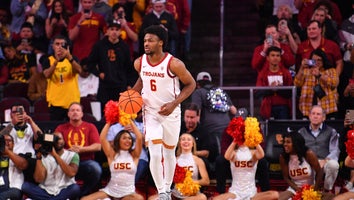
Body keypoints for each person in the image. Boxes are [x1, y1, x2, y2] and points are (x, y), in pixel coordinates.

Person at [132, 25, 196, 199]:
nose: (146, 43)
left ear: (161, 42)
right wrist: (130, 97)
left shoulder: (174, 63)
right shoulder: (139, 62)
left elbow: (191, 84)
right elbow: (142, 80)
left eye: (150, 40)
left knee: (168, 152)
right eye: (145, 40)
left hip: (171, 112)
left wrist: (174, 103)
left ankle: (167, 188)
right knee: (154, 150)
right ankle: (161, 191)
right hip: (151, 111)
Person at [81, 121, 144, 200]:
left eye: (130, 138)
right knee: (84, 199)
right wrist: (108, 122)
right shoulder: (112, 154)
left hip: (128, 193)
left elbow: (139, 138)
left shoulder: (134, 155)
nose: (128, 140)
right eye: (124, 138)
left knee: (139, 198)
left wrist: (129, 120)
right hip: (110, 191)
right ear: (118, 140)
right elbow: (102, 138)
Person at [87, 19, 137, 111]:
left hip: (121, 85)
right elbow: (90, 63)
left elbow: (129, 67)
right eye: (112, 29)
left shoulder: (124, 47)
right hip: (105, 85)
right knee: (105, 113)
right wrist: (98, 73)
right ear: (107, 31)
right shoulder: (100, 46)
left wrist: (129, 84)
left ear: (120, 32)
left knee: (121, 112)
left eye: (117, 30)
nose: (114, 32)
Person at [55, 102, 102, 197]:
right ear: (68, 114)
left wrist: (81, 149)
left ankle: (82, 194)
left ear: (82, 114)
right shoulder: (61, 128)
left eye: (77, 110)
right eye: (72, 110)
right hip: (67, 162)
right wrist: (69, 151)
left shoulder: (90, 127)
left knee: (96, 168)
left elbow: (98, 146)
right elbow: (54, 145)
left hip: (85, 163)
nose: (75, 112)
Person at [213, 136, 279, 200]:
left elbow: (262, 155)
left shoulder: (254, 153)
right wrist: (235, 140)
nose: (243, 139)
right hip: (235, 192)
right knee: (216, 199)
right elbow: (226, 156)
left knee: (275, 194)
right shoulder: (233, 153)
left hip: (251, 193)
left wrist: (255, 141)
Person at [148, 133, 210, 200]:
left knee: (203, 197)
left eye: (189, 140)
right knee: (152, 198)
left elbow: (206, 181)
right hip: (175, 194)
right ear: (179, 143)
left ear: (193, 144)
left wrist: (189, 182)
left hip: (192, 194)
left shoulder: (198, 160)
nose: (186, 141)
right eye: (183, 139)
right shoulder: (174, 160)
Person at [22, 132, 81, 200]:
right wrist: (38, 157)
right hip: (46, 190)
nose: (58, 141)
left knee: (75, 188)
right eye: (55, 140)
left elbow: (71, 173)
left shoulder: (73, 155)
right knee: (26, 186)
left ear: (64, 141)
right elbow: (38, 179)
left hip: (65, 189)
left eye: (59, 139)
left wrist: (55, 155)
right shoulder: (44, 156)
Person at [191, 71, 237, 153]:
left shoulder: (198, 92)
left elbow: (197, 111)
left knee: (216, 154)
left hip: (210, 129)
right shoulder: (220, 92)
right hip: (227, 127)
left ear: (197, 84)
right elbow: (234, 111)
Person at [297, 105, 340, 192]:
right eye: (313, 114)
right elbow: (298, 150)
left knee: (334, 165)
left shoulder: (331, 131)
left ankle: (327, 189)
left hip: (324, 161)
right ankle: (308, 190)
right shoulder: (301, 132)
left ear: (323, 118)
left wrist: (325, 160)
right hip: (307, 162)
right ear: (309, 116)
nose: (315, 116)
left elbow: (335, 150)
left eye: (318, 114)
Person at [42, 34, 82, 121]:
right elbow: (46, 75)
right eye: (57, 44)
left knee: (73, 130)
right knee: (55, 131)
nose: (60, 47)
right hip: (55, 103)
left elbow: (79, 70)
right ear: (52, 46)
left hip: (72, 102)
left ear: (67, 46)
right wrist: (56, 62)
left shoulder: (73, 59)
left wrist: (69, 58)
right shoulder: (48, 60)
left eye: (62, 44)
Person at [294, 48, 339, 118]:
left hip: (327, 107)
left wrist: (320, 75)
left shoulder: (331, 71)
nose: (317, 62)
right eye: (314, 60)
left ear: (323, 60)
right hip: (308, 107)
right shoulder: (306, 71)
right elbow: (297, 83)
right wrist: (301, 68)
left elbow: (334, 83)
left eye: (319, 60)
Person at [106, 111, 149, 183]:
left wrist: (137, 132)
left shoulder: (142, 126)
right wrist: (122, 134)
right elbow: (109, 147)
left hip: (139, 158)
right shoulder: (113, 128)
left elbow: (149, 144)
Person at [278, 132, 323, 200]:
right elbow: (286, 177)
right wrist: (297, 189)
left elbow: (319, 172)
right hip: (294, 188)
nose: (285, 144)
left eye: (288, 142)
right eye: (284, 142)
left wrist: (315, 190)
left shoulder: (308, 154)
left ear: (296, 143)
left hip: (311, 188)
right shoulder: (283, 157)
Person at [256, 46, 293, 120]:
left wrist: (279, 89)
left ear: (280, 58)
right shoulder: (262, 74)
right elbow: (258, 93)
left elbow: (291, 92)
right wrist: (271, 89)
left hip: (284, 107)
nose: (275, 58)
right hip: (268, 107)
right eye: (272, 55)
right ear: (267, 58)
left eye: (277, 55)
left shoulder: (286, 73)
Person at [0, 134, 31, 200]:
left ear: (13, 144)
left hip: (13, 189)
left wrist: (7, 151)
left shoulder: (19, 156)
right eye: (3, 141)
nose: (6, 143)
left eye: (9, 140)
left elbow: (23, 165)